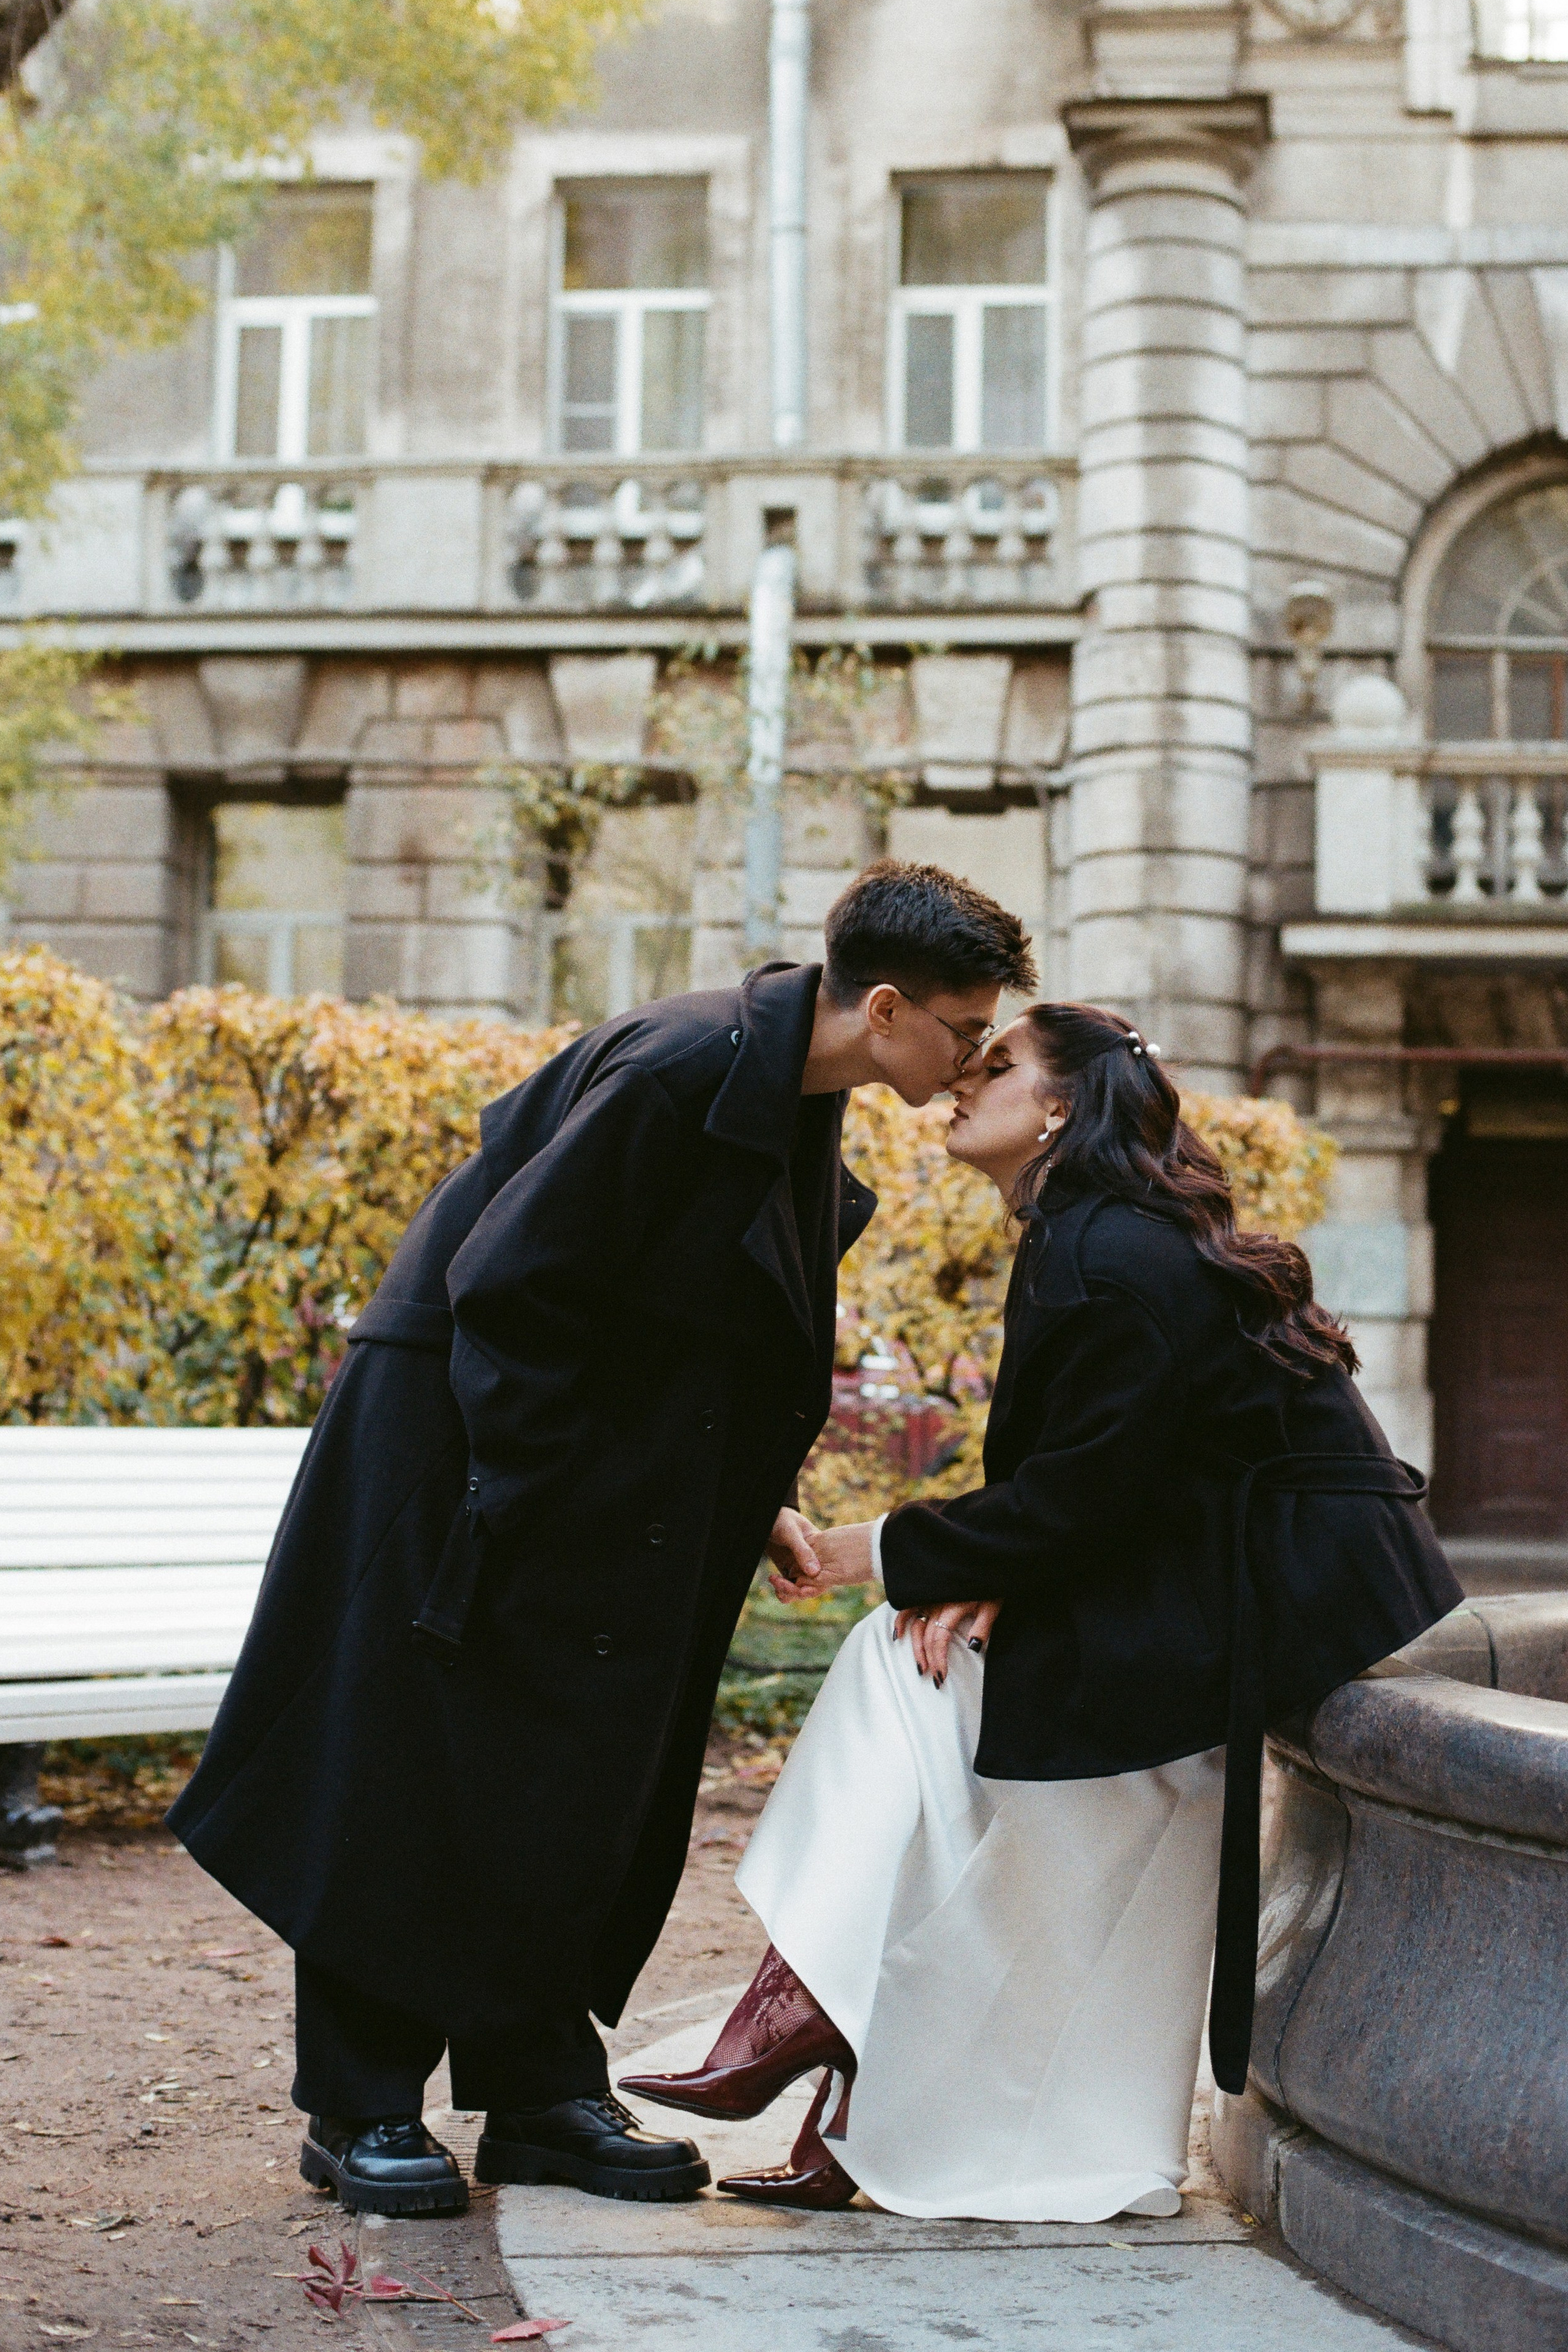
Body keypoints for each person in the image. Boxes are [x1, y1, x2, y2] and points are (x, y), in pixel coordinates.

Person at [168, 861, 1036, 2218]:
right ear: (882, 1008)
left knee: (579, 1768)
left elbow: (690, 1317)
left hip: (599, 1473)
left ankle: (535, 2092)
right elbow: (508, 1288)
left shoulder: (790, 1091)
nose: (973, 1055)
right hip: (464, 1450)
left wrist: (743, 1490)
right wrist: (519, 1503)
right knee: (413, 1757)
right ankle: (359, 2105)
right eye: (963, 1028)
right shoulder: (686, 1067)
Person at [625, 1003, 1463, 2217]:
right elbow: (1108, 1476)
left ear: (1063, 1107)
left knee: (894, 1666)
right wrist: (983, 1564)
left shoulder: (1106, 1250)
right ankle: (829, 2061)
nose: (964, 1081)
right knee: (919, 1712)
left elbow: (1081, 1496)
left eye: (999, 1062)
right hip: (1222, 1573)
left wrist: (883, 1549)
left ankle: (806, 2014)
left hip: (1259, 1597)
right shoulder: (1107, 1231)